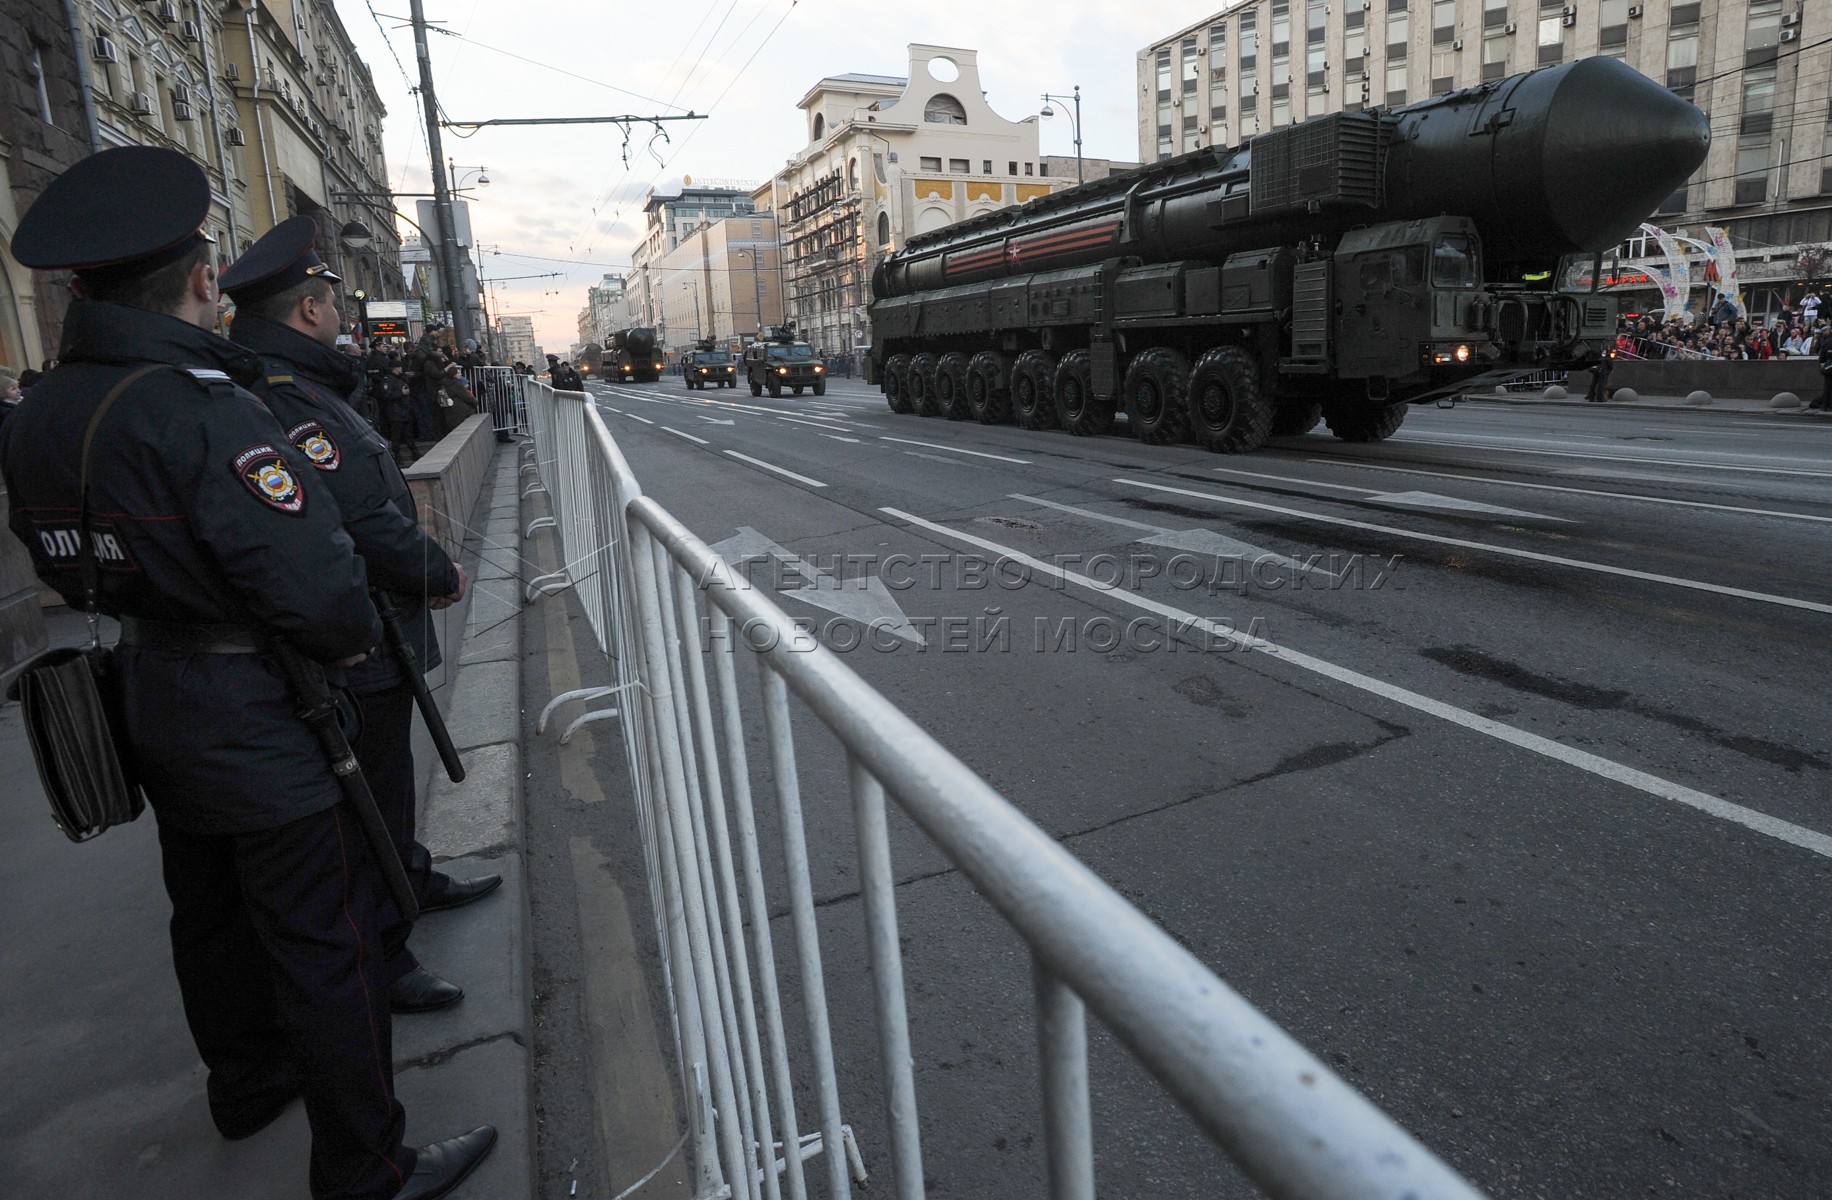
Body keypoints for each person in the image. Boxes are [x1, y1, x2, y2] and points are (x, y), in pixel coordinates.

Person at [1, 148, 496, 1199]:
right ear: (192, 282)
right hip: (253, 705)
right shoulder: (201, 405)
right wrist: (350, 641)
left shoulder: (42, 409)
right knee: (322, 940)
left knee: (210, 911)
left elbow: (57, 554)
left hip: (145, 687)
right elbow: (312, 584)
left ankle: (245, 1082)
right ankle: (366, 1163)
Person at [220, 218, 499, 1014]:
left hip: (368, 623)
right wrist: (435, 569)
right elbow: (360, 513)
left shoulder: (300, 386)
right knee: (368, 792)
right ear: (309, 311)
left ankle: (409, 881)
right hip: (358, 629)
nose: (344, 317)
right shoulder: (289, 399)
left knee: (390, 780)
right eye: (333, 303)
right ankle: (387, 951)